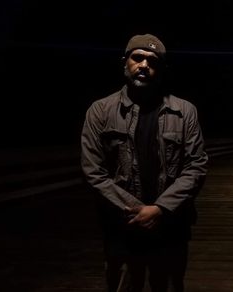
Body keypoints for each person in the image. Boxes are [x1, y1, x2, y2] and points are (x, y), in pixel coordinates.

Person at [80, 33, 208, 292]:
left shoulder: (184, 111)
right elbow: (93, 171)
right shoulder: (100, 111)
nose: (144, 65)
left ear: (162, 69)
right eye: (137, 58)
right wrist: (138, 211)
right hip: (122, 225)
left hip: (171, 226)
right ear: (125, 62)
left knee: (168, 285)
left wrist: (160, 209)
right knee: (124, 286)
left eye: (153, 61)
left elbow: (196, 166)